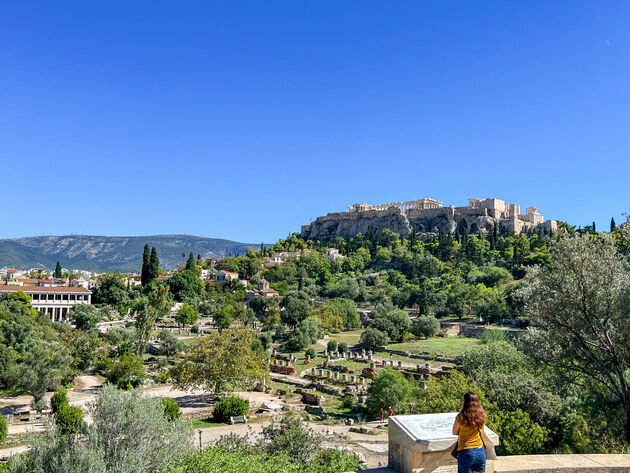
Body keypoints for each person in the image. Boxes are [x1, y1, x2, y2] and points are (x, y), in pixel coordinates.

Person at [452, 392, 487, 473]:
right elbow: (482, 431)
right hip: (480, 451)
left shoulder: (461, 417)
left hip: (466, 451)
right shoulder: (482, 415)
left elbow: (454, 432)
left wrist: (464, 432)